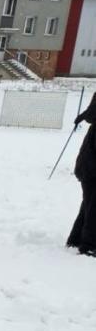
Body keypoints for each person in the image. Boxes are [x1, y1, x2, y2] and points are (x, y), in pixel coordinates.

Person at [67, 94, 96, 257]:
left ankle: (76, 239)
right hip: (91, 170)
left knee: (89, 205)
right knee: (93, 207)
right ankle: (89, 246)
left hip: (87, 168)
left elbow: (90, 113)